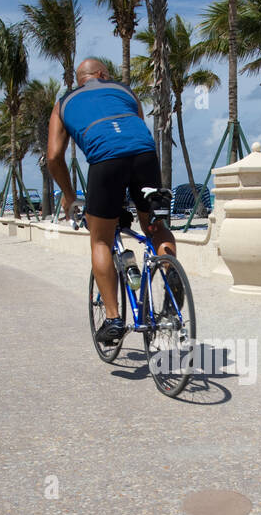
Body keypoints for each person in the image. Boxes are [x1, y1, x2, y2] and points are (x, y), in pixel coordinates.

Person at [47, 58, 177, 345]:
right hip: (145, 156)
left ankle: (114, 319)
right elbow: (135, 131)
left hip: (105, 163)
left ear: (80, 80)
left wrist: (70, 198)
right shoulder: (126, 92)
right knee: (155, 227)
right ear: (103, 75)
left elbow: (54, 157)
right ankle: (170, 280)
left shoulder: (64, 102)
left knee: (101, 241)